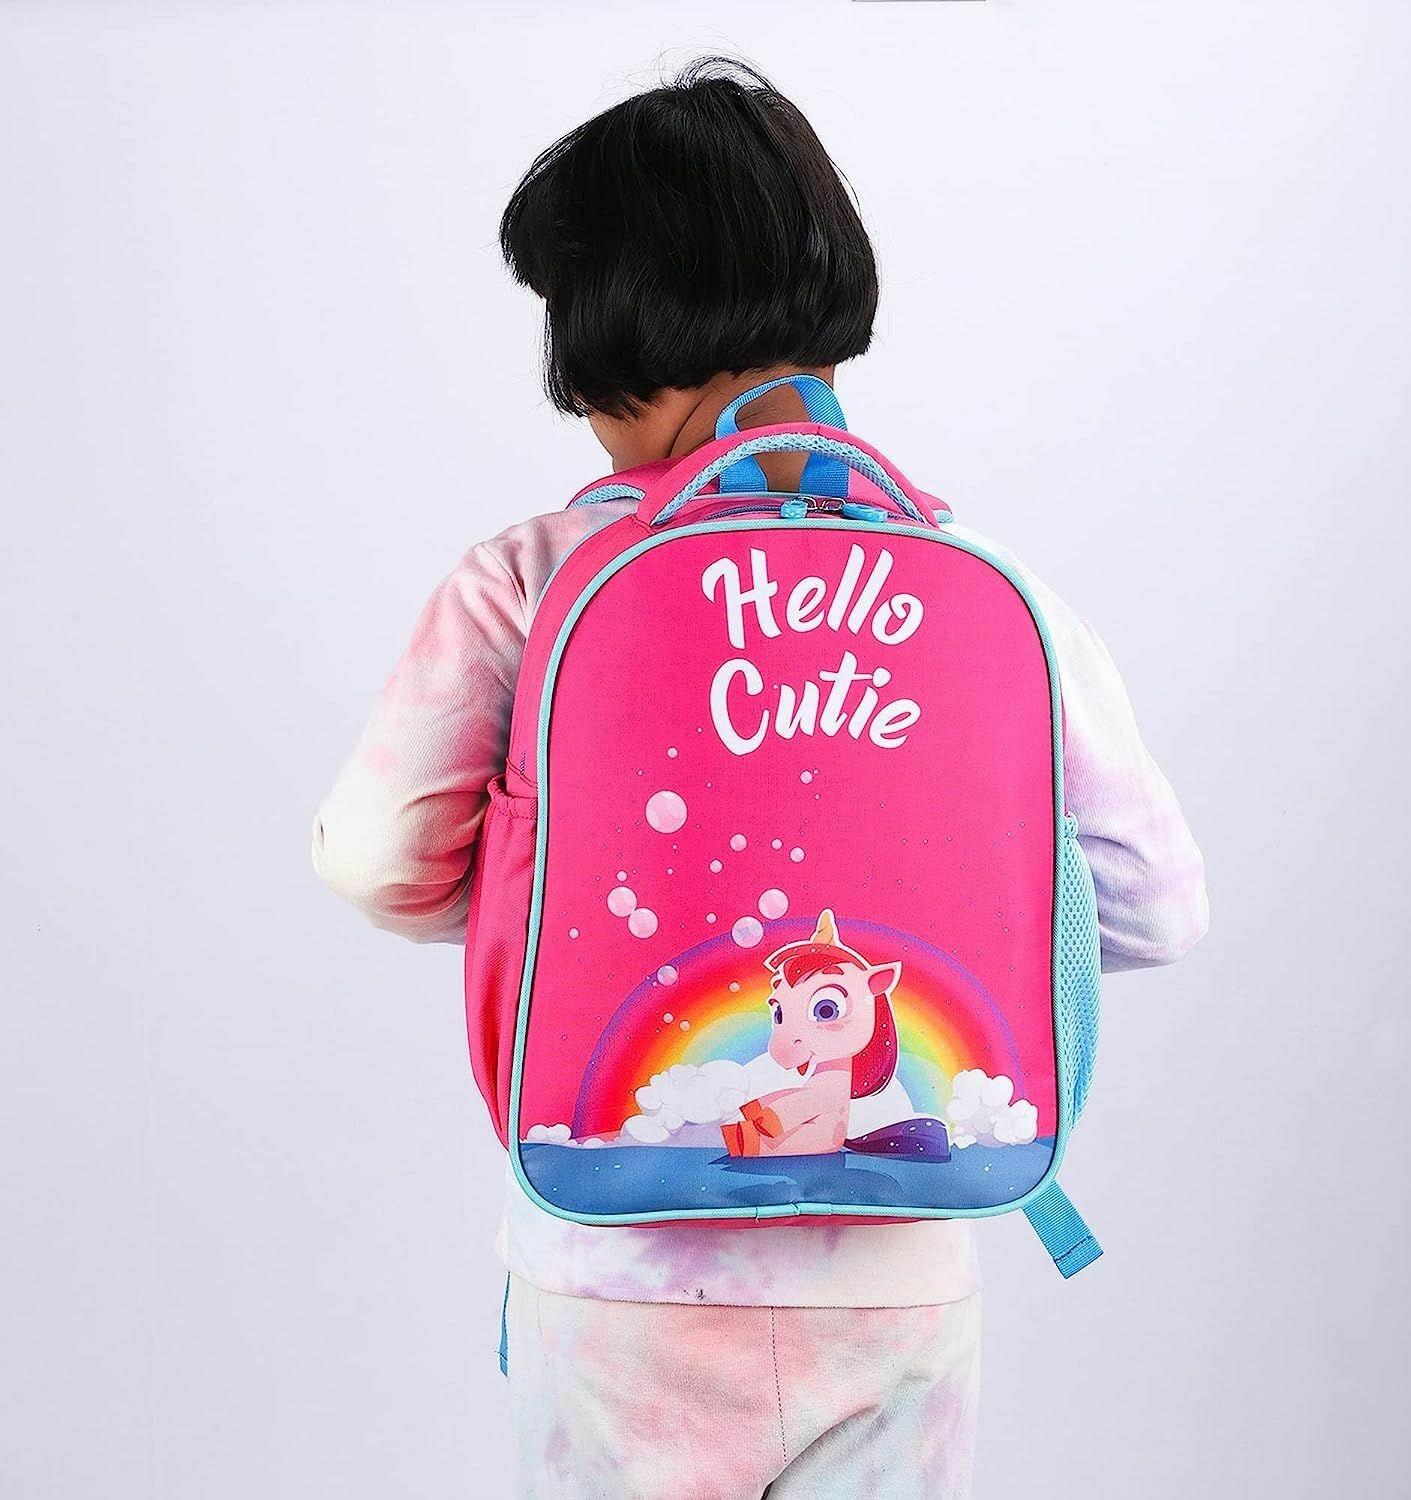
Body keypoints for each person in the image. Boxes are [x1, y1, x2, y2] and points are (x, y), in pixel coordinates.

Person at [313, 57, 1208, 1500]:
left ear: (611, 327)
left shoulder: (528, 579)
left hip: (616, 1269)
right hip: (900, 1274)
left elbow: (374, 860)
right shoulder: (992, 585)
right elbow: (1157, 905)